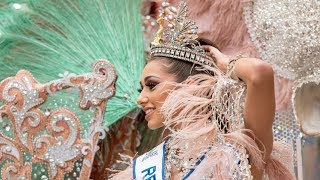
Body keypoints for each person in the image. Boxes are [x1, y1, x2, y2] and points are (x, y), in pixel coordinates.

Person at [110, 2, 294, 180]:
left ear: (189, 84)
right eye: (141, 89)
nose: (140, 99)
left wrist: (224, 63)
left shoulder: (241, 154)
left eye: (152, 85)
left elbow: (259, 73)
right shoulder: (146, 167)